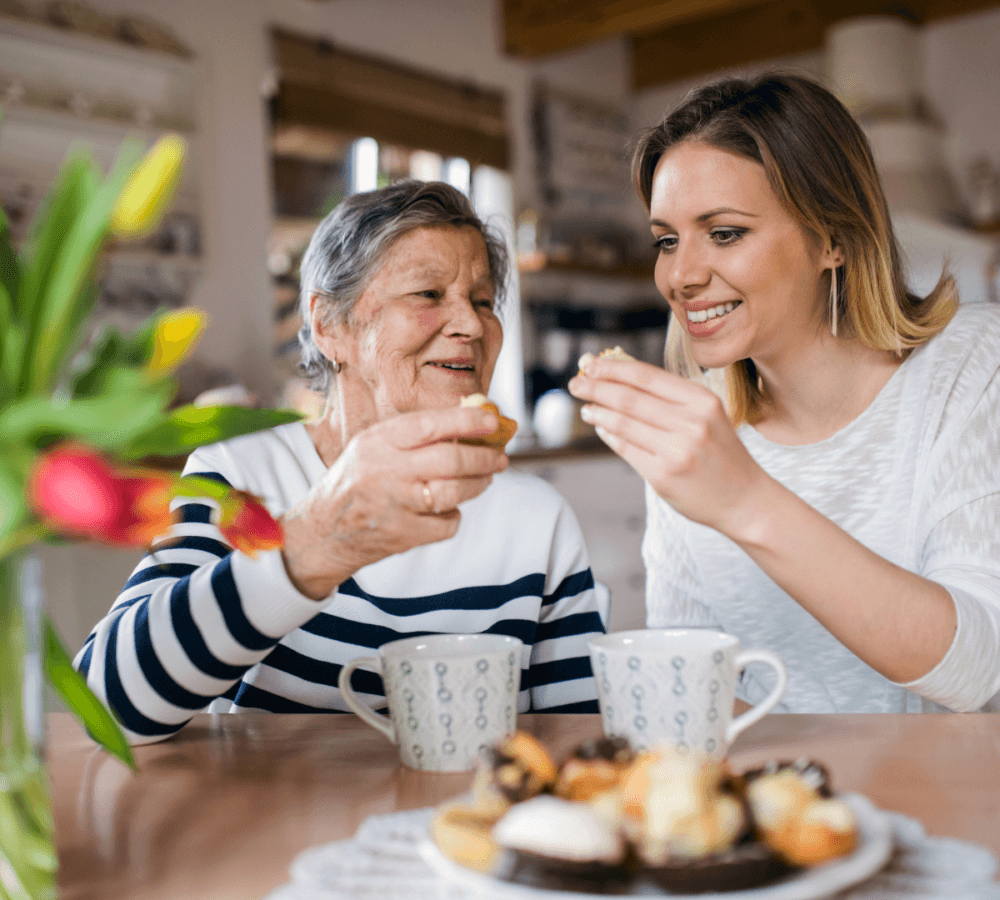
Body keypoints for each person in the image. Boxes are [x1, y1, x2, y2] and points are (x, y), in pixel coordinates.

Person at [77, 181, 604, 744]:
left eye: (481, 300)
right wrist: (314, 547)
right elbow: (104, 706)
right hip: (274, 825)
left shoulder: (536, 518)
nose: (472, 325)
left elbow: (582, 744)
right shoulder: (240, 475)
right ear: (331, 326)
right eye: (428, 293)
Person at [569, 73, 1000, 714]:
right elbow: (694, 686)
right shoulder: (696, 423)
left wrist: (743, 499)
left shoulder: (971, 361)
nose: (681, 275)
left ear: (832, 238)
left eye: (724, 233)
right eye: (667, 239)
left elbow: (977, 668)